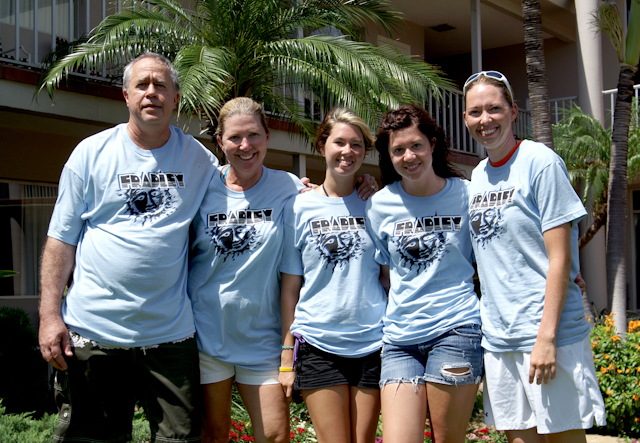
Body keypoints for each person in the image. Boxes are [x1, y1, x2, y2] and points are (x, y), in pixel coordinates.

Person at [38, 52, 219, 443]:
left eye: (161, 86)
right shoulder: (91, 154)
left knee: (180, 439)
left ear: (175, 97)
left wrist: (304, 190)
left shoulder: (200, 161)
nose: (151, 93)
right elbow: (60, 241)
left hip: (171, 334)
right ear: (125, 95)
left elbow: (241, 194)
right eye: (142, 85)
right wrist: (49, 316)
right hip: (94, 331)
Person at [188, 98, 378, 443]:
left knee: (275, 435)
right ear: (220, 142)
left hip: (263, 338)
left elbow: (330, 197)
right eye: (234, 138)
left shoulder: (290, 188)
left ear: (267, 136)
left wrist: (366, 184)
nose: (245, 146)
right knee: (212, 433)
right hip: (207, 336)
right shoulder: (201, 189)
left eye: (253, 135)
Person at [462, 70, 606, 443]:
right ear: (465, 119)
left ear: (512, 111)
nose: (485, 120)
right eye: (475, 112)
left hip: (547, 335)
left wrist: (547, 337)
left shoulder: (540, 162)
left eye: (493, 108)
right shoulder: (477, 176)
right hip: (500, 337)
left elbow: (560, 257)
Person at [366, 105, 483, 443]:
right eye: (398, 150)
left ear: (432, 144)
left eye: (416, 145)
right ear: (389, 157)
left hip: (456, 329)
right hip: (400, 339)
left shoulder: (466, 195)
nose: (409, 156)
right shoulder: (380, 205)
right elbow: (386, 271)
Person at [279, 108, 387, 443]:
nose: (348, 151)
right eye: (339, 142)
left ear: (365, 151)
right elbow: (290, 288)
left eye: (357, 144)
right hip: (318, 344)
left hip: (374, 344)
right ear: (322, 145)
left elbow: (388, 276)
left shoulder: (378, 204)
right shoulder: (297, 207)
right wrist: (286, 357)